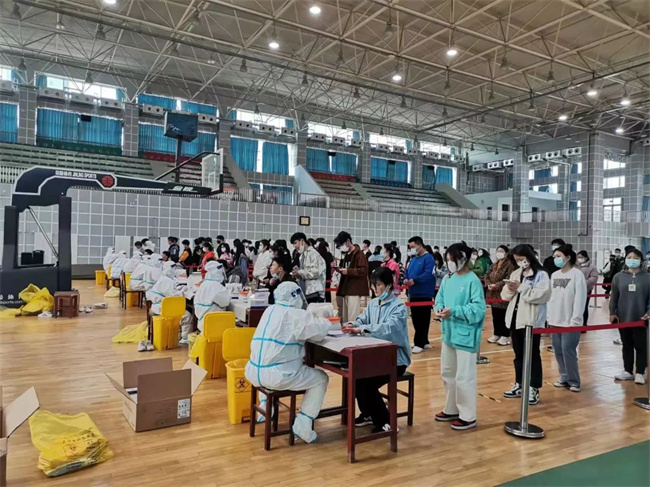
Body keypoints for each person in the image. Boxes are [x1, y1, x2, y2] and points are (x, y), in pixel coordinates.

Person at [245, 282, 331, 443]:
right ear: (295, 296)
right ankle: (303, 424)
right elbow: (319, 332)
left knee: (271, 364)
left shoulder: (270, 310)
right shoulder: (296, 315)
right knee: (321, 378)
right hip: (278, 376)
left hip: (253, 372)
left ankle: (265, 405)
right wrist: (325, 319)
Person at [343, 267, 411, 433]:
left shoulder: (398, 307)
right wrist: (353, 324)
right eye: (373, 285)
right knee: (356, 377)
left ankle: (385, 421)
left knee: (366, 382)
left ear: (388, 285)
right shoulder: (373, 304)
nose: (375, 289)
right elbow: (362, 319)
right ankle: (368, 413)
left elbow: (389, 329)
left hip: (395, 359)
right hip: (375, 356)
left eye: (378, 285)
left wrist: (362, 329)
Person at [434, 241, 486, 430]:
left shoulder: (472, 281)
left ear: (463, 259)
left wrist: (454, 311)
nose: (449, 263)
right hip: (448, 333)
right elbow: (439, 298)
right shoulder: (448, 279)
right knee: (448, 373)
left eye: (452, 259)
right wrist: (439, 308)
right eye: (448, 259)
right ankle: (451, 408)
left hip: (466, 335)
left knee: (465, 376)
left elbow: (478, 309)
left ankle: (468, 415)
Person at [501, 244, 551, 405]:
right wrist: (510, 288)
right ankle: (520, 383)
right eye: (517, 260)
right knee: (519, 354)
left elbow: (542, 296)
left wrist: (521, 288)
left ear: (529, 257)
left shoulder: (541, 275)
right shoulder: (516, 273)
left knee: (532, 355)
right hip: (515, 319)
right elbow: (505, 296)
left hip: (531, 321)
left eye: (521, 259)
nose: (520, 262)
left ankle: (533, 387)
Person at [547, 243, 587, 393]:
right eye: (554, 256)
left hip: (570, 321)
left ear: (568, 257)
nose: (555, 259)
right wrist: (549, 316)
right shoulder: (554, 275)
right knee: (558, 350)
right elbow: (550, 297)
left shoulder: (577, 274)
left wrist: (575, 319)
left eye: (558, 256)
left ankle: (574, 381)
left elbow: (580, 298)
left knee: (568, 350)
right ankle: (564, 377)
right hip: (555, 320)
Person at [610, 248, 650, 385]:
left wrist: (648, 312)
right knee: (626, 345)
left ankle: (640, 372)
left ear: (641, 260)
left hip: (641, 319)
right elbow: (614, 297)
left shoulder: (647, 277)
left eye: (636, 258)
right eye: (629, 257)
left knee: (641, 346)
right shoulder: (618, 277)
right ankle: (627, 371)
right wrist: (612, 312)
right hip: (623, 318)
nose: (632, 260)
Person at [404, 236, 436, 353]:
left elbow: (428, 274)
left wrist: (415, 280)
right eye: (410, 247)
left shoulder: (428, 258)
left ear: (420, 245)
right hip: (413, 292)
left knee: (423, 319)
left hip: (424, 293)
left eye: (413, 247)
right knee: (416, 318)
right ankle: (423, 340)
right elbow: (407, 271)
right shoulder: (413, 259)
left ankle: (419, 342)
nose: (411, 249)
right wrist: (406, 279)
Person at [334, 231, 369, 323]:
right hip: (346, 289)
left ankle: (353, 331)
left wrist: (348, 271)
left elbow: (363, 270)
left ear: (348, 241)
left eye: (342, 244)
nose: (342, 246)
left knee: (352, 317)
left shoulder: (359, 254)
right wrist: (338, 269)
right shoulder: (347, 255)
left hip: (354, 289)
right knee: (345, 317)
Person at [484, 245, 516, 346]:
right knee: (496, 315)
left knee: (503, 315)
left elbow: (508, 278)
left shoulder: (510, 265)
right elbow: (486, 274)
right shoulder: (494, 264)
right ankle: (497, 333)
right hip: (493, 294)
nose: (499, 253)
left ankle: (505, 335)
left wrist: (497, 285)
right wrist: (488, 284)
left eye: (501, 251)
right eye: (498, 251)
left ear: (506, 253)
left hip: (503, 294)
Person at [194, 260, 231, 334]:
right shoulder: (217, 287)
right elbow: (225, 302)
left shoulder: (203, 285)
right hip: (215, 324)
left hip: (202, 322)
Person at [290, 233, 326, 303]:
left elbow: (316, 272)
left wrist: (300, 272)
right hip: (305, 291)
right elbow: (304, 273)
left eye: (295, 243)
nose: (294, 246)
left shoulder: (314, 254)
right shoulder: (301, 256)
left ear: (302, 241)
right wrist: (297, 274)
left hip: (314, 293)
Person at [577, 250, 598, 327]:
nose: (580, 259)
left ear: (586, 257)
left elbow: (594, 278)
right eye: (578, 257)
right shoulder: (576, 266)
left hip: (586, 290)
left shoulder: (592, 267)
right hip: (575, 290)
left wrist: (583, 283)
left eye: (581, 257)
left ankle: (584, 324)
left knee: (584, 307)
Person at [315, 239, 334, 303]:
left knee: (320, 292)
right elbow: (332, 264)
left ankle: (320, 303)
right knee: (327, 292)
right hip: (327, 276)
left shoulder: (317, 255)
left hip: (319, 276)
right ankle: (328, 303)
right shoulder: (329, 255)